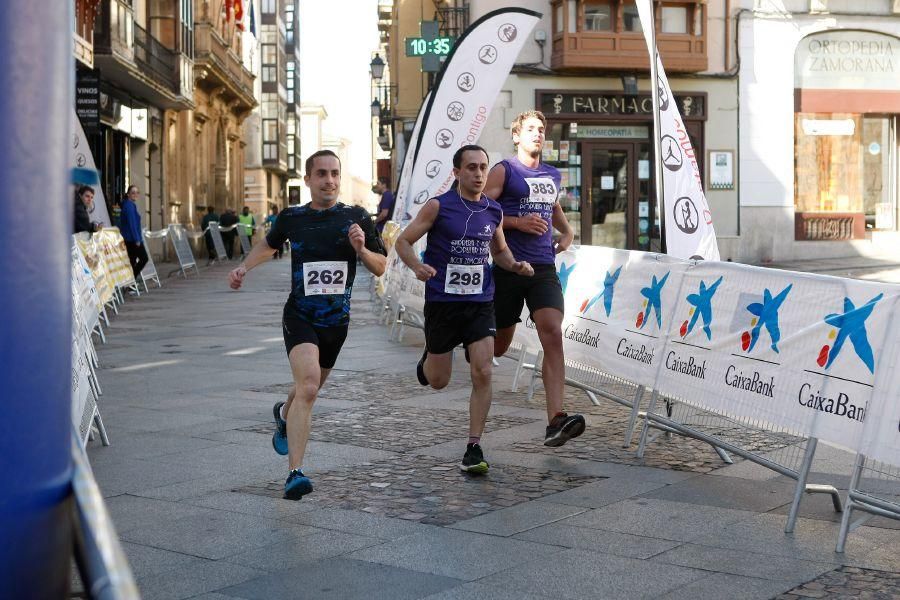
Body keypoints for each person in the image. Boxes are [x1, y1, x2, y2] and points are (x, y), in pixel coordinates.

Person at [228, 149, 387, 500]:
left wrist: (361, 250)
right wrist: (243, 268)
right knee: (310, 387)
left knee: (306, 388)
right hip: (300, 315)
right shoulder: (292, 217)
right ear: (309, 179)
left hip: (337, 322)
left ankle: (284, 415)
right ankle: (295, 474)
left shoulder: (356, 217)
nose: (329, 180)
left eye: (334, 174)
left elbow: (381, 267)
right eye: (322, 174)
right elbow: (268, 247)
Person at [395, 145, 534, 474]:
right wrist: (416, 266)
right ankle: (430, 358)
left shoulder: (493, 211)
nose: (479, 174)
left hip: (480, 302)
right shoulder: (438, 207)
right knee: (439, 380)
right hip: (443, 303)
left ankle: (474, 446)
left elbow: (499, 252)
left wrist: (514, 266)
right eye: (471, 168)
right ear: (457, 172)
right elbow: (403, 241)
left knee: (483, 371)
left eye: (483, 167)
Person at [483, 110, 586, 447]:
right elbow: (483, 208)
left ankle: (556, 419)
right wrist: (516, 223)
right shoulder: (504, 170)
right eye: (530, 129)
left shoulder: (552, 174)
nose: (537, 135)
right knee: (498, 343)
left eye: (541, 130)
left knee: (553, 333)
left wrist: (567, 231)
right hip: (509, 266)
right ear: (516, 136)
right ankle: (471, 341)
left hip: (542, 266)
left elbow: (551, 205)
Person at [119, 185, 148, 278]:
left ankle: (130, 283)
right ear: (128, 194)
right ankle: (131, 280)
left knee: (131, 261)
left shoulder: (130, 205)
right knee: (144, 258)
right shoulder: (129, 206)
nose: (135, 194)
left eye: (137, 192)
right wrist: (137, 240)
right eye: (133, 192)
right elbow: (132, 224)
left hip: (130, 238)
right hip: (132, 239)